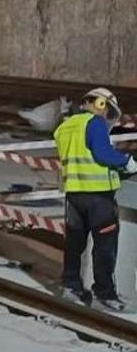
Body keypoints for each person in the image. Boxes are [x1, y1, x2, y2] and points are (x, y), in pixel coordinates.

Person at [53, 87, 137, 311]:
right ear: (101, 105)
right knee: (105, 248)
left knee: (74, 245)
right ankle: (105, 293)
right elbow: (101, 153)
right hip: (99, 198)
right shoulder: (94, 123)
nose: (108, 117)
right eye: (109, 111)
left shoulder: (65, 127)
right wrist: (126, 161)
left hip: (74, 196)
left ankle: (71, 287)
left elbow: (81, 157)